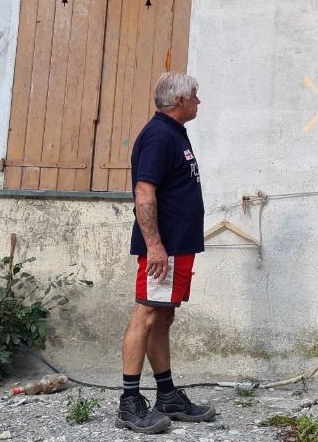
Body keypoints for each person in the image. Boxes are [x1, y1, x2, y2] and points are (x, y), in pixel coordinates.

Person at [116, 72, 217, 433]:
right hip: (165, 248)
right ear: (179, 101)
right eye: (195, 96)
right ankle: (129, 402)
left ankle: (167, 394)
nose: (198, 102)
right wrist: (155, 246)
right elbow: (144, 193)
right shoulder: (159, 136)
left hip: (177, 246)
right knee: (146, 314)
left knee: (162, 317)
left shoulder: (173, 133)